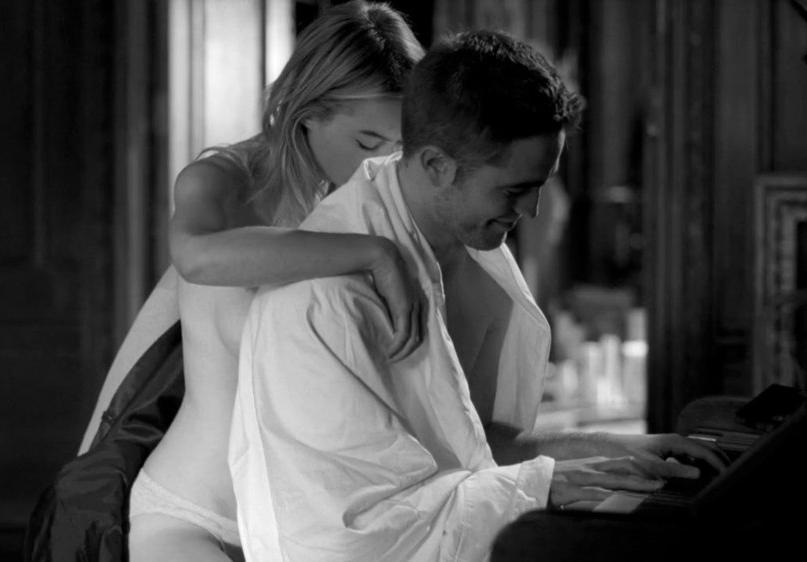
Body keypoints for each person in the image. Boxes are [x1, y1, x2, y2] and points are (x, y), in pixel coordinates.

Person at [229, 30, 727, 562]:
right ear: (436, 165)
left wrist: (614, 449)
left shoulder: (469, 247)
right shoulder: (319, 303)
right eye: (515, 190)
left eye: (539, 185)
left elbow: (467, 448)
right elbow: (346, 538)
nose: (532, 211)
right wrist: (546, 487)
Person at [122, 3, 426, 561]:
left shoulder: (383, 204)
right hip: (196, 517)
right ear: (307, 114)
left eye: (400, 146)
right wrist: (374, 254)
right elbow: (196, 257)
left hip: (319, 529)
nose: (382, 164)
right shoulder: (225, 182)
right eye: (366, 143)